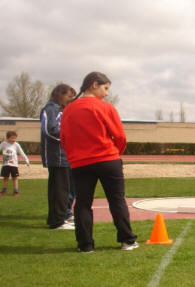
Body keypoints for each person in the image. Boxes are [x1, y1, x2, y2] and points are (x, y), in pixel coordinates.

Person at [60, 72, 138, 252]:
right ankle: (127, 240)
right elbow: (119, 136)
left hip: (80, 163)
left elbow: (64, 137)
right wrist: (115, 153)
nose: (107, 93)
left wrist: (74, 156)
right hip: (107, 159)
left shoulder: (68, 109)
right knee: (117, 200)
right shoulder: (105, 108)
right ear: (94, 85)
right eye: (106, 88)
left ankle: (85, 245)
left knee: (83, 203)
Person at [40, 84, 76, 230]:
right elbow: (49, 130)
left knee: (63, 189)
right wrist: (69, 137)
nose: (70, 99)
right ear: (59, 94)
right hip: (57, 157)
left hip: (64, 156)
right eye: (68, 96)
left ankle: (60, 217)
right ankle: (57, 222)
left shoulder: (59, 109)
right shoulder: (50, 109)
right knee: (58, 190)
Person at [0, 131, 30, 196]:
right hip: (6, 164)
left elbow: (22, 152)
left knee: (15, 178)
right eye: (12, 138)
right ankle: (3, 191)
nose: (14, 140)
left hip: (14, 165)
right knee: (5, 178)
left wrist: (26, 160)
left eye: (15, 138)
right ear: (8, 138)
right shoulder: (3, 144)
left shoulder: (16, 145)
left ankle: (15, 191)